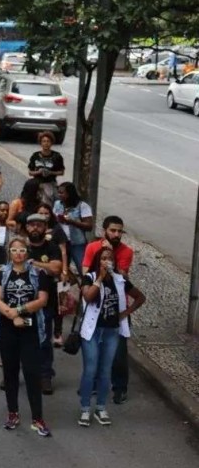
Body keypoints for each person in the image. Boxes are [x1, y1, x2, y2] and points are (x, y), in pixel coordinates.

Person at [77, 247, 145, 427]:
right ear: (98, 261)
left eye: (110, 259)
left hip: (111, 331)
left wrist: (125, 313)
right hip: (92, 331)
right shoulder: (90, 277)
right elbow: (88, 297)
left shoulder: (120, 281)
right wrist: (99, 278)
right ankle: (85, 408)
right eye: (103, 258)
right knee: (91, 369)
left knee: (106, 370)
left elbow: (140, 297)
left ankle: (100, 407)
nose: (107, 262)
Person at [0, 236, 51, 437]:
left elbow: (42, 300)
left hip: (30, 328)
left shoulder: (37, 273)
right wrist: (10, 314)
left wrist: (19, 311)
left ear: (27, 252)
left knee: (32, 372)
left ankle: (37, 417)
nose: (18, 254)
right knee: (10, 372)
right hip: (7, 329)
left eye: (22, 250)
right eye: (14, 250)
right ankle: (13, 413)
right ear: (9, 252)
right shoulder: (2, 274)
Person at [24, 213, 62, 395]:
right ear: (26, 228)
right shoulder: (21, 247)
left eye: (39, 225)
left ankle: (45, 375)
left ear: (45, 227)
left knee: (44, 340)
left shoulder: (52, 247)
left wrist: (34, 263)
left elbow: (56, 268)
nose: (35, 228)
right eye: (31, 225)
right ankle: (15, 375)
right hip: (22, 303)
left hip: (46, 304)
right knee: (20, 340)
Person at [53, 181, 94, 274]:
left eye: (62, 193)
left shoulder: (82, 206)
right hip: (61, 241)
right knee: (62, 269)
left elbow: (89, 226)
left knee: (82, 267)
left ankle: (86, 285)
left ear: (70, 193)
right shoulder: (57, 204)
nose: (59, 195)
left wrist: (71, 222)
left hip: (77, 242)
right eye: (58, 192)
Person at [27, 131, 65, 205]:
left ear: (51, 143)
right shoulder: (35, 156)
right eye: (44, 141)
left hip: (50, 182)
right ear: (40, 143)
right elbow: (30, 172)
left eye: (48, 141)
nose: (46, 143)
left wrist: (50, 172)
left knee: (49, 196)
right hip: (37, 182)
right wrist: (39, 172)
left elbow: (61, 172)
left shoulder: (57, 156)